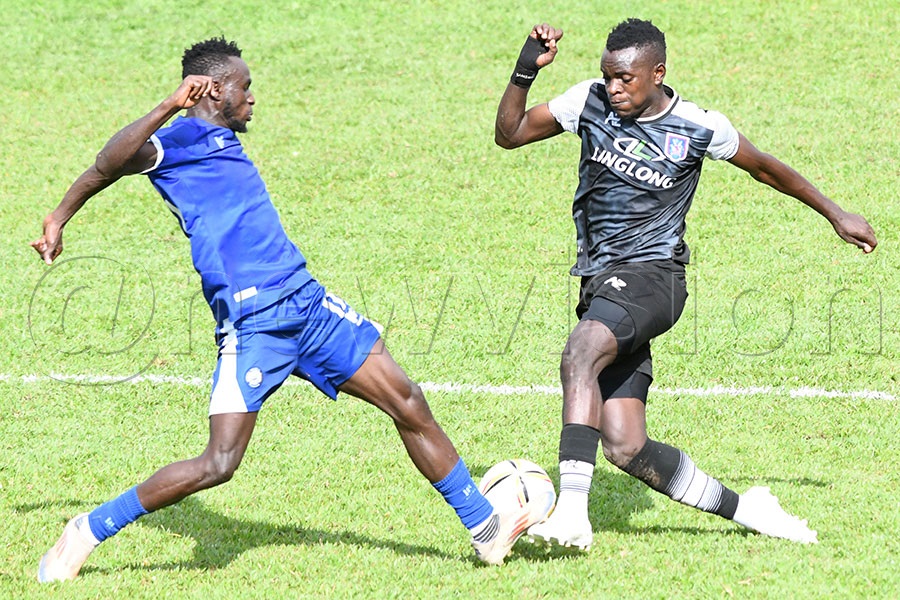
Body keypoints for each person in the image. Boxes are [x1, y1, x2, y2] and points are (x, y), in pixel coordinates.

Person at [33, 38, 545, 581]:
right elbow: (106, 164)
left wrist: (58, 217)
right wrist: (165, 108)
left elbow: (97, 175)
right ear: (211, 89)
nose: (252, 98)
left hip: (308, 303)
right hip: (255, 323)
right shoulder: (177, 139)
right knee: (219, 464)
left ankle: (484, 527)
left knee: (406, 399)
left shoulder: (223, 138)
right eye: (244, 87)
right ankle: (88, 530)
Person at [495, 19, 877, 550]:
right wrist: (524, 69)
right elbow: (509, 134)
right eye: (608, 76)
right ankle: (750, 510)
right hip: (600, 284)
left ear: (658, 72)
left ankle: (572, 516)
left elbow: (765, 168)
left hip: (656, 278)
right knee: (625, 447)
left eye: (625, 78)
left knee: (579, 354)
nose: (614, 88)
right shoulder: (588, 103)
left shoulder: (698, 126)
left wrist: (835, 214)